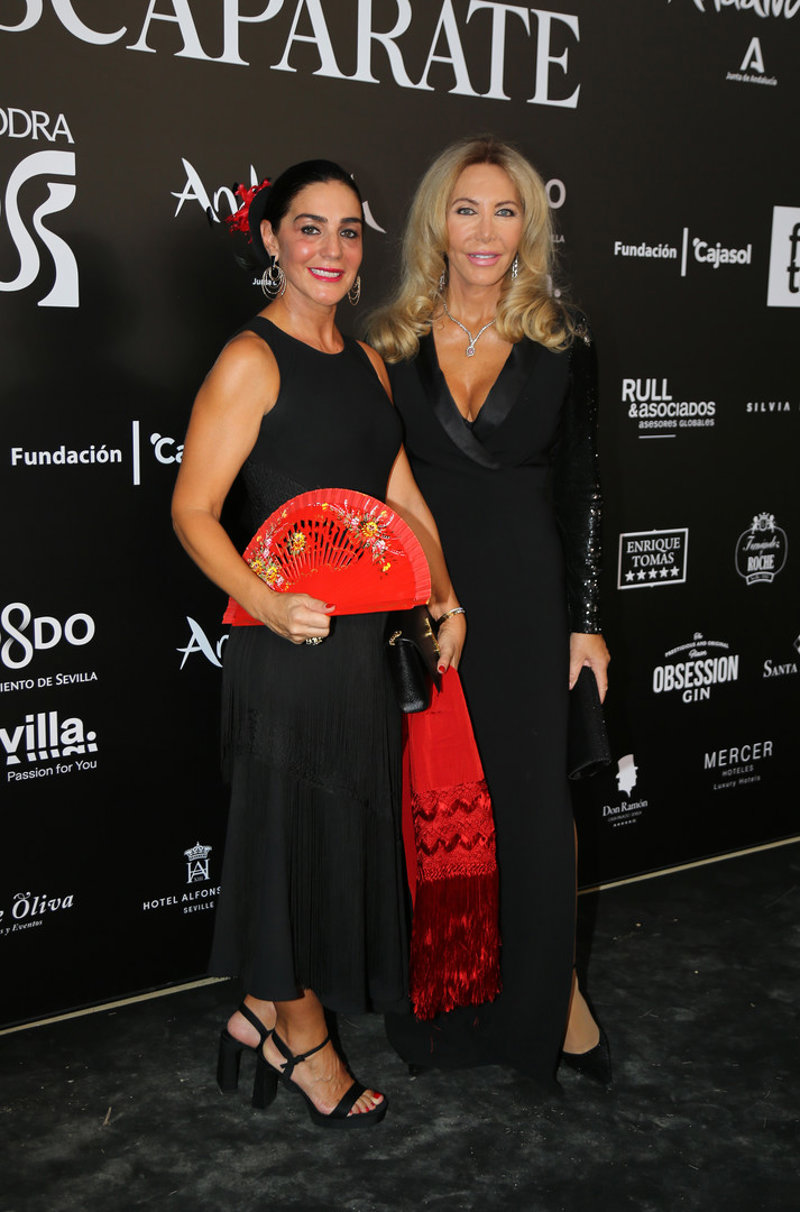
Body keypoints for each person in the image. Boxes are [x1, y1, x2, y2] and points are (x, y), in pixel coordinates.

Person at [171, 160, 465, 1128]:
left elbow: (398, 496)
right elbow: (192, 511)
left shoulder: (367, 362)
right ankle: (302, 1041)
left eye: (347, 230)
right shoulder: (249, 360)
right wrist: (266, 599)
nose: (331, 250)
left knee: (334, 838)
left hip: (362, 655)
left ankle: (262, 1010)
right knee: (286, 843)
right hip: (285, 654)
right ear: (270, 239)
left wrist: (443, 594)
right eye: (309, 228)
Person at [368, 137, 611, 1087]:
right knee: (436, 805)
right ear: (437, 221)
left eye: (505, 211)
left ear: (528, 226)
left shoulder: (562, 341)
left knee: (534, 806)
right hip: (423, 602)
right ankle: (448, 1009)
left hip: (528, 599)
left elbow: (583, 488)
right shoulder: (388, 343)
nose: (484, 230)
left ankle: (553, 998)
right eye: (466, 208)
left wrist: (585, 621)